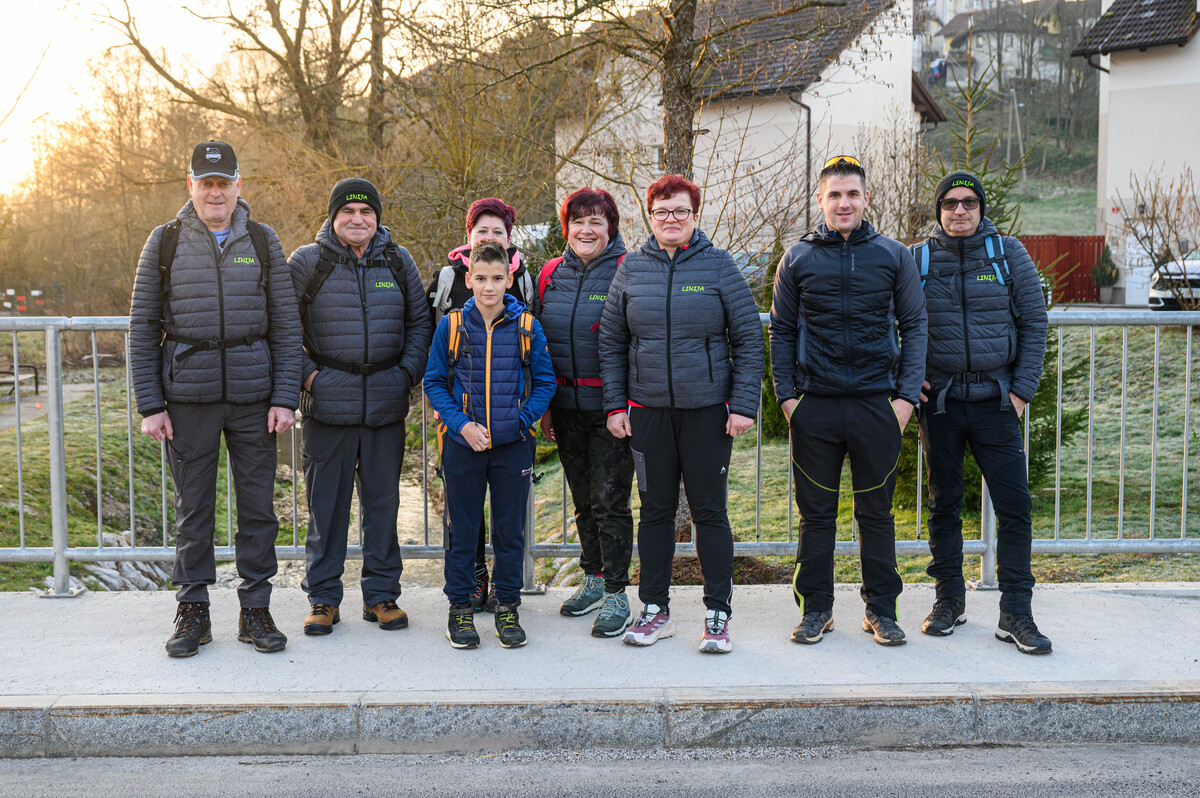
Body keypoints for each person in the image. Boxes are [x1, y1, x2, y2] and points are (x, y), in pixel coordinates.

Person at [129, 140, 302, 658]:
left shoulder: (263, 241)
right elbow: (143, 327)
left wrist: (285, 396)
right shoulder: (164, 242)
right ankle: (193, 610)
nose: (215, 193)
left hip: (254, 399)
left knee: (258, 509)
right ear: (191, 186)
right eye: (205, 183)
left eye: (223, 183)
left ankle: (256, 609)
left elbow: (286, 326)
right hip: (188, 398)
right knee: (194, 510)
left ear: (237, 185)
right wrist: (150, 405)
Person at [599, 174, 763, 654]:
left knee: (710, 512)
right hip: (647, 412)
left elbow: (749, 338)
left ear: (695, 215)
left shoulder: (719, 266)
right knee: (655, 511)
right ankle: (655, 610)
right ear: (650, 217)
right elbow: (611, 341)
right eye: (662, 212)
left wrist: (743, 405)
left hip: (708, 412)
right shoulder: (631, 269)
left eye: (680, 211)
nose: (671, 219)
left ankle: (717, 614)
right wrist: (615, 404)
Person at [769, 155, 927, 648]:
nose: (844, 203)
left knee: (876, 514)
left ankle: (881, 610)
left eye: (852, 194)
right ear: (820, 200)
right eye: (835, 194)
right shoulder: (797, 258)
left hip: (877, 405)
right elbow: (781, 330)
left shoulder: (893, 256)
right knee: (816, 515)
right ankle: (815, 610)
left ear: (865, 198)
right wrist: (788, 398)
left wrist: (905, 399)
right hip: (814, 407)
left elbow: (915, 326)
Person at [911, 171, 1051, 654]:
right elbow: (892, 323)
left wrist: (1021, 392)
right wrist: (908, 379)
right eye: (950, 202)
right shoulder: (918, 258)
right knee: (943, 505)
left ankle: (1016, 613)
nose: (960, 210)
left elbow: (1034, 322)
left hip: (996, 402)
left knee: (1015, 507)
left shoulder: (1008, 254)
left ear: (981, 208)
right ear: (939, 210)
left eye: (969, 202)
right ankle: (949, 601)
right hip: (941, 404)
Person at [288, 178, 431, 637]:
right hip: (327, 409)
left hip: (385, 407)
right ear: (333, 216)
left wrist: (406, 375)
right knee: (326, 509)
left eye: (366, 211)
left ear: (377, 218)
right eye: (347, 211)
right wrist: (311, 379)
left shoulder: (398, 260)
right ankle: (323, 599)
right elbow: (284, 330)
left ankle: (381, 596)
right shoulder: (307, 262)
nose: (357, 219)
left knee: (383, 506)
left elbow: (420, 323)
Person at [423, 240, 556, 649]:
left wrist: (519, 421)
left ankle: (508, 607)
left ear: (509, 279)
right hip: (463, 445)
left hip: (512, 445)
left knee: (509, 533)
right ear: (469, 279)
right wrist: (462, 425)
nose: (489, 287)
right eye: (480, 278)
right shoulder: (451, 326)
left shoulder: (527, 326)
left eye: (497, 278)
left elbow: (545, 383)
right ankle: (460, 609)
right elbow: (434, 383)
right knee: (462, 531)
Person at [537, 187, 635, 637]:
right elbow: (540, 345)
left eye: (596, 220)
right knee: (582, 501)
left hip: (612, 410)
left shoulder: (628, 269)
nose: (586, 229)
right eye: (578, 221)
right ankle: (593, 579)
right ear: (567, 228)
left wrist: (624, 405)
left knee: (610, 502)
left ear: (610, 226)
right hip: (565, 408)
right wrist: (546, 407)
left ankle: (617, 593)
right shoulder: (550, 274)